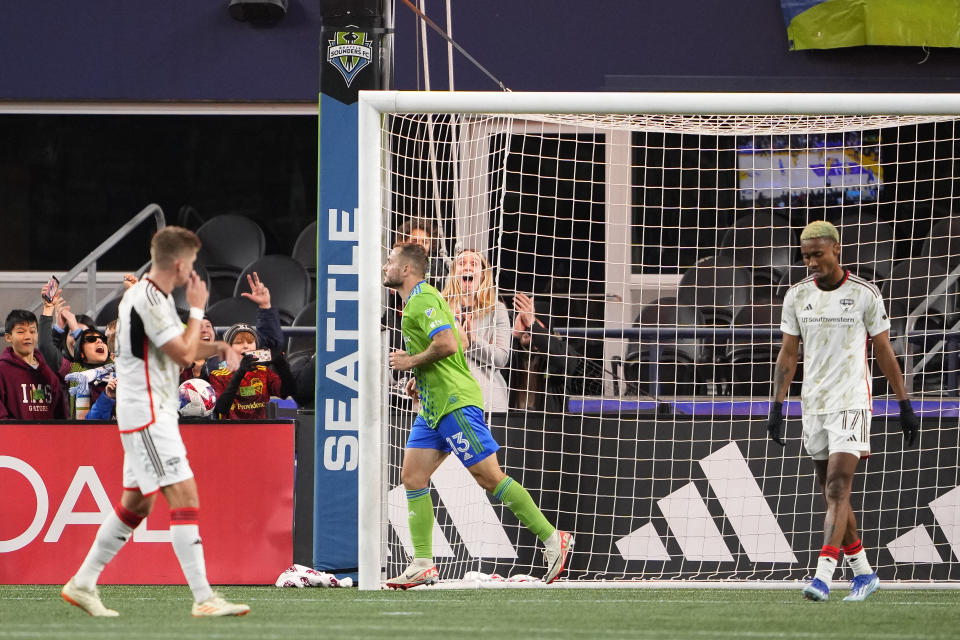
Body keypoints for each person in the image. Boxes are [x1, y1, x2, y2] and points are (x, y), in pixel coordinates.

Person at [61, 226, 249, 617]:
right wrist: (198, 309)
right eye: (192, 264)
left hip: (151, 409)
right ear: (179, 264)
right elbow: (182, 355)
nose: (193, 273)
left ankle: (82, 582)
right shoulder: (147, 298)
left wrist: (220, 346)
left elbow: (174, 348)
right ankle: (204, 598)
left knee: (138, 502)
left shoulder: (152, 297)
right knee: (186, 496)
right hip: (146, 412)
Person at [381, 243, 572, 589]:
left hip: (454, 402)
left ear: (406, 269)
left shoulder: (423, 299)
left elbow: (449, 345)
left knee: (489, 477)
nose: (385, 267)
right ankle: (423, 563)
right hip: (432, 406)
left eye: (390, 261)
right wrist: (418, 377)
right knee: (412, 477)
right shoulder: (425, 299)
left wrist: (409, 361)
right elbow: (454, 343)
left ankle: (551, 538)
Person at [766, 220, 920, 603]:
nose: (812, 262)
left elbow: (885, 351)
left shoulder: (865, 294)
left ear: (837, 249)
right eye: (805, 256)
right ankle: (864, 573)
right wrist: (777, 403)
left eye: (818, 254)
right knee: (832, 493)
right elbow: (788, 353)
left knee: (838, 486)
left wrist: (903, 402)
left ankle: (822, 576)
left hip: (851, 400)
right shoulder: (797, 296)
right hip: (812, 404)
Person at [441, 249, 512, 413]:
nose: (467, 267)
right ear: (453, 273)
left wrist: (472, 341)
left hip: (486, 401)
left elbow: (501, 358)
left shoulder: (497, 310)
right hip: (446, 400)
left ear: (483, 275)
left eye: (473, 264)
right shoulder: (439, 308)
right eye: (461, 263)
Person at [208, 322, 294, 420]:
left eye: (250, 342)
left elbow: (287, 392)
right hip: (230, 430)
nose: (246, 346)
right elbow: (221, 408)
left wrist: (281, 364)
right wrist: (240, 373)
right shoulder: (217, 375)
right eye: (238, 343)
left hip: (260, 430)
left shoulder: (263, 372)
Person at [0, 309, 67, 420]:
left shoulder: (49, 373)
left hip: (48, 437)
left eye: (32, 331)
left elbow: (60, 417)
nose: (28, 336)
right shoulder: (2, 371)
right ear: (8, 337)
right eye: (21, 332)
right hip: (15, 437)